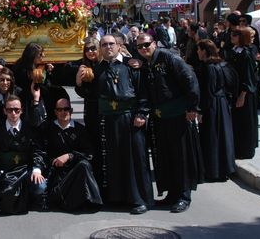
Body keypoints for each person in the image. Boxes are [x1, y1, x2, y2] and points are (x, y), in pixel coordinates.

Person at [75, 34, 152, 214]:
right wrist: (79, 83)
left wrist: (142, 113)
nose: (108, 47)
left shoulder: (131, 65)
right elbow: (90, 95)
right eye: (104, 44)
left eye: (111, 44)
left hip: (130, 118)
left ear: (118, 46)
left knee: (134, 160)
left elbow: (143, 91)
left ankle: (138, 199)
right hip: (107, 121)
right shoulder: (98, 69)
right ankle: (116, 197)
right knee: (113, 160)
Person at [135, 33, 203, 213]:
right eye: (140, 46)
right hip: (160, 118)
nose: (143, 48)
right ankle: (172, 194)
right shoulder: (146, 64)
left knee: (182, 157)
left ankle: (184, 195)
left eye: (146, 44)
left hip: (178, 116)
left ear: (154, 44)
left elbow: (190, 80)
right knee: (165, 157)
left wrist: (192, 107)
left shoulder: (170, 58)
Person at [39, 98, 103, 211]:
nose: (63, 112)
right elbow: (42, 152)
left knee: (84, 165)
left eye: (66, 109)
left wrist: (70, 156)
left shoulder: (80, 130)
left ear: (71, 111)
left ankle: (93, 203)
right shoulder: (48, 129)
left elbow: (89, 154)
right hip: (57, 177)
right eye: (59, 109)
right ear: (55, 112)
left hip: (76, 174)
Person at [0, 95, 47, 214]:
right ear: (4, 111)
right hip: (5, 171)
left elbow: (38, 150)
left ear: (22, 111)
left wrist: (37, 169)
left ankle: (31, 199)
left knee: (40, 187)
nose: (13, 113)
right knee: (5, 193)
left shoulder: (30, 129)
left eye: (17, 110)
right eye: (10, 110)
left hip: (26, 170)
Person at [195, 40, 236, 182]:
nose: (197, 52)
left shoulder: (209, 67)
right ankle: (223, 169)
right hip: (221, 104)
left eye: (199, 50)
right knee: (222, 136)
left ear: (204, 51)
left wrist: (200, 111)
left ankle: (214, 171)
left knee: (212, 137)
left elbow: (208, 91)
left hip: (212, 106)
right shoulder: (221, 64)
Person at [229, 27, 259, 159]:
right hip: (235, 92)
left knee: (246, 123)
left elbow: (248, 77)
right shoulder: (235, 51)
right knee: (237, 123)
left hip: (244, 94)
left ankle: (246, 150)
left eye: (235, 35)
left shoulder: (245, 54)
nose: (232, 37)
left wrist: (242, 94)